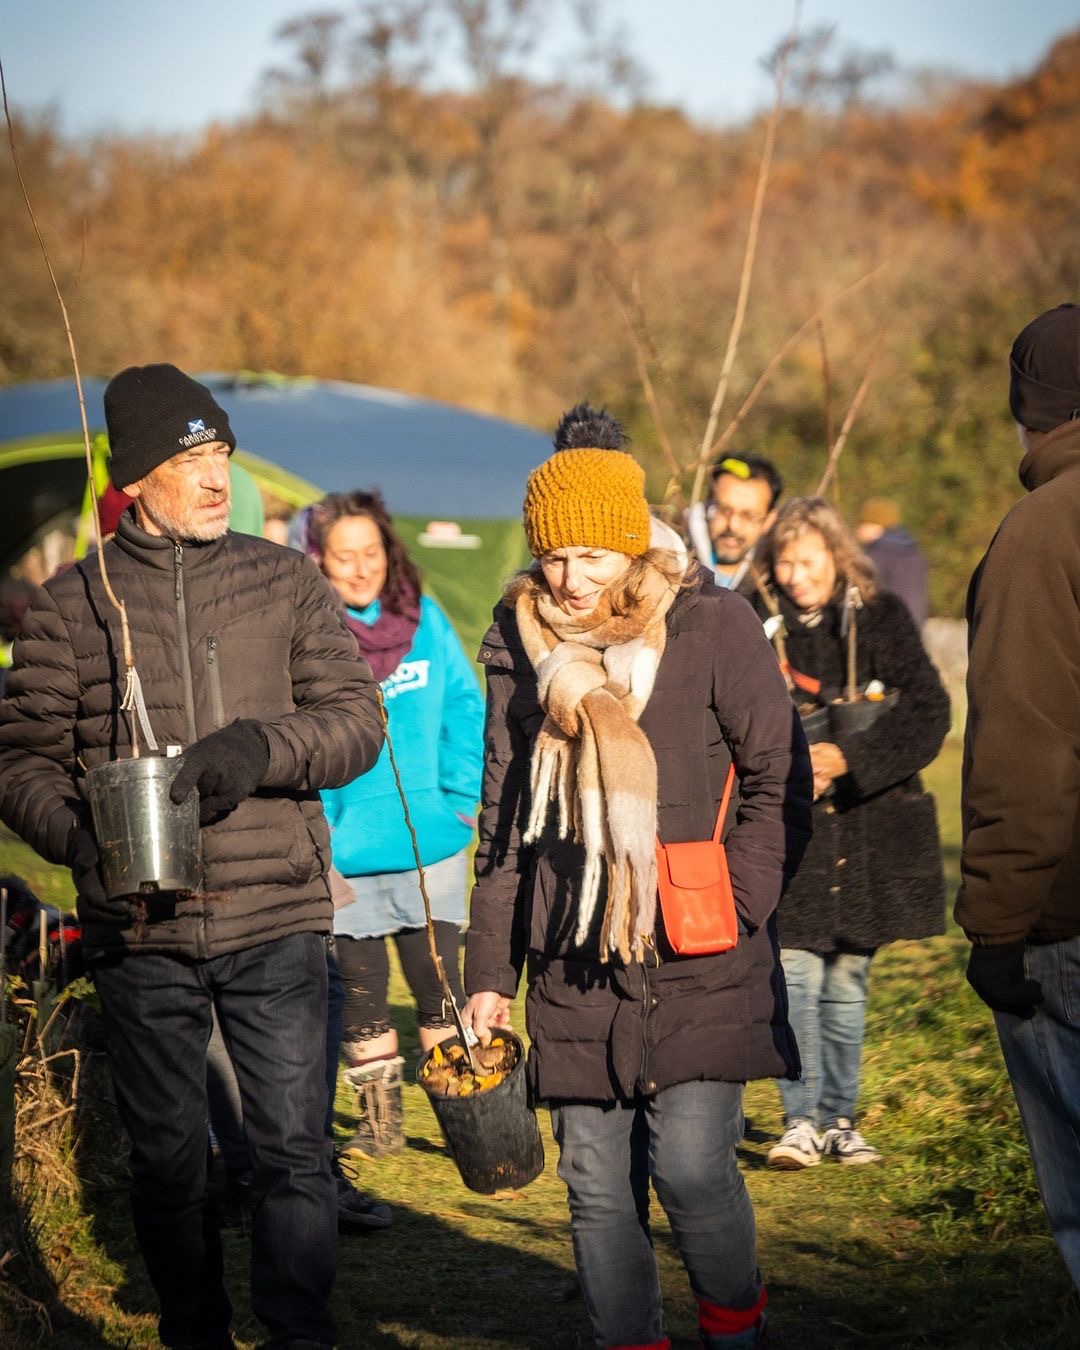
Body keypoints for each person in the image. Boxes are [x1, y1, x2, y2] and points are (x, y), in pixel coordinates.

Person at [0, 362, 384, 1350]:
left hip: (276, 914)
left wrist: (262, 749)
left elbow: (356, 722)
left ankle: (299, 1331)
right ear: (136, 478)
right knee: (170, 1168)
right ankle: (195, 1333)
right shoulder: (73, 605)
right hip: (139, 931)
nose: (218, 479)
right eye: (192, 459)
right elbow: (21, 761)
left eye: (223, 455)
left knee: (293, 1153)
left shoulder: (285, 580)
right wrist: (79, 842)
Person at [462, 403, 812, 1350]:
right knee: (593, 1183)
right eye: (552, 557)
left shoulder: (713, 623)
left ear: (631, 543)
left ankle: (736, 1328)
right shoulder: (517, 645)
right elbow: (503, 822)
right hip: (571, 951)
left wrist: (739, 898)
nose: (570, 579)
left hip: (703, 949)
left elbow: (780, 775)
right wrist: (490, 974)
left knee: (692, 1170)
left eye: (591, 555)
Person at [755, 497, 949, 1170]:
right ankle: (798, 1121)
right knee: (795, 972)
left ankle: (840, 1118)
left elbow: (929, 710)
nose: (798, 574)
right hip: (792, 835)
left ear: (838, 558)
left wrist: (850, 758)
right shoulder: (757, 626)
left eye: (809, 560)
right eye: (785, 561)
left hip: (869, 836)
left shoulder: (883, 618)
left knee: (847, 979)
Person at [958, 302, 1080, 1290]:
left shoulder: (1043, 534)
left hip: (1066, 920)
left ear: (1027, 412)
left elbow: (1028, 746)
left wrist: (998, 927)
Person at [309, 490, 484, 1159]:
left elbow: (464, 708)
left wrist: (458, 797)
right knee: (360, 994)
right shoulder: (310, 636)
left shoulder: (425, 620)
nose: (360, 569)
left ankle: (464, 1119)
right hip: (345, 855)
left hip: (430, 845)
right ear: (319, 561)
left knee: (439, 989)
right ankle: (380, 1130)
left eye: (371, 553)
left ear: (390, 552)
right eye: (343, 557)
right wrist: (323, 831)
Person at [684, 454, 782, 594]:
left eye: (749, 516)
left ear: (769, 521)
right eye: (724, 510)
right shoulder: (672, 563)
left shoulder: (778, 587)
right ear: (707, 505)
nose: (733, 525)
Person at [854, 497, 930, 631]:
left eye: (862, 524)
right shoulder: (915, 553)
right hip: (914, 625)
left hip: (887, 628)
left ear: (876, 525)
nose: (858, 530)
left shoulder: (877, 554)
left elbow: (864, 594)